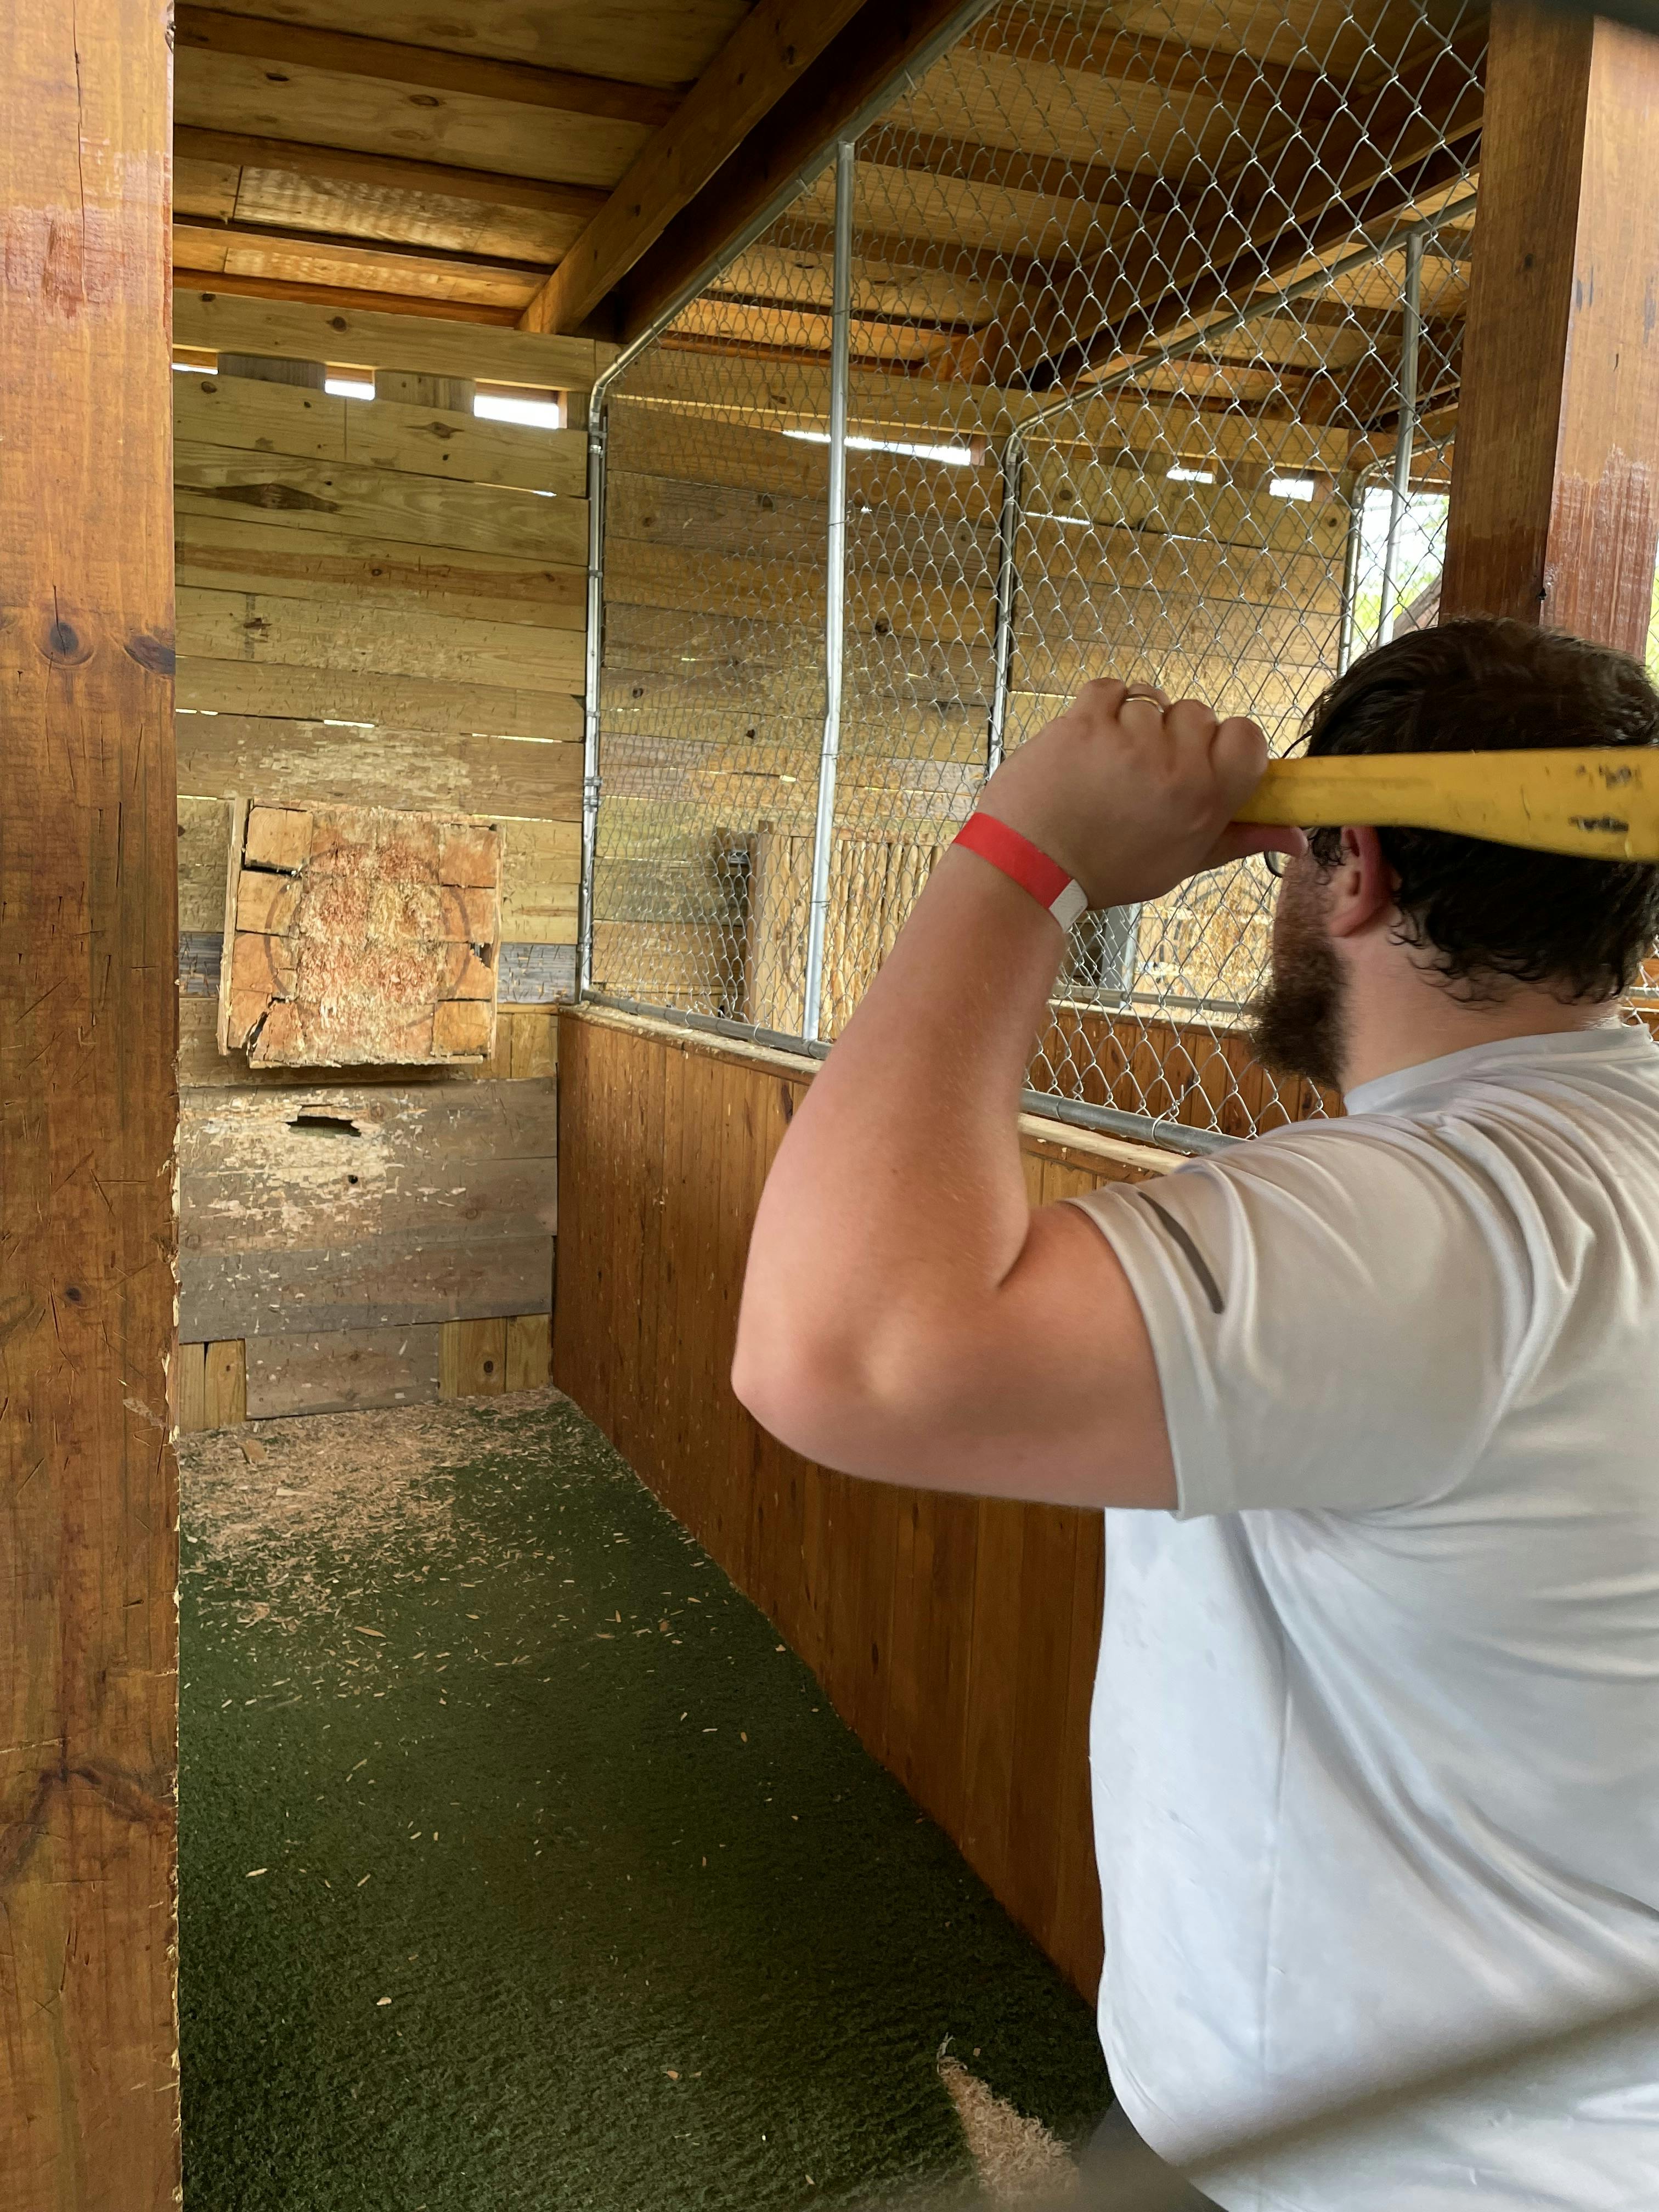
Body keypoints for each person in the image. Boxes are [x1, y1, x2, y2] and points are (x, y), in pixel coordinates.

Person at [731, 617, 1659, 2211]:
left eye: (1298, 859)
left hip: (1403, 2173)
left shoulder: (1443, 1218)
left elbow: (846, 1355)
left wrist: (1026, 852)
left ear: (1355, 873)